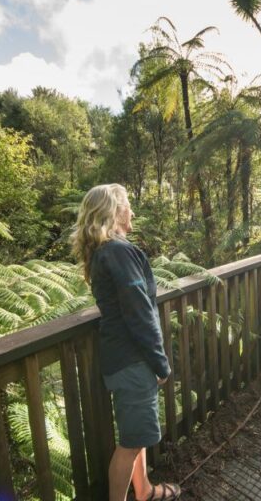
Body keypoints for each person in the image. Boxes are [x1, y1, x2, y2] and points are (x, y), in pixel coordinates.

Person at [71, 184, 180, 501]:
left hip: (122, 359)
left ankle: (143, 490)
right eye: (128, 204)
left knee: (136, 434)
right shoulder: (119, 251)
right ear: (115, 211)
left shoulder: (106, 252)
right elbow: (140, 313)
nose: (132, 210)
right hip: (133, 361)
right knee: (131, 442)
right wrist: (160, 363)